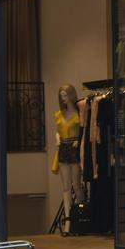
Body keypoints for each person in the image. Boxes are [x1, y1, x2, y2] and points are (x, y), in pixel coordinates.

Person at [53, 84, 85, 234]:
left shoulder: (80, 113)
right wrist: (58, 138)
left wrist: (78, 140)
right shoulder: (59, 114)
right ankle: (68, 219)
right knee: (66, 187)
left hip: (75, 149)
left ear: (71, 95)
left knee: (77, 185)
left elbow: (83, 131)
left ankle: (80, 213)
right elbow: (57, 131)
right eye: (61, 96)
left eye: (65, 95)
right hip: (63, 149)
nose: (63, 98)